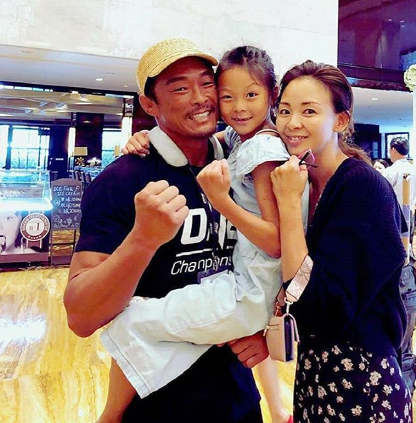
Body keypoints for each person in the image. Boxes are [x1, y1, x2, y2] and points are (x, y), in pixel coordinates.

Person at [95, 44, 304, 423]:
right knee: (161, 332)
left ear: (272, 95)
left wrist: (220, 201)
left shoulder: (263, 151)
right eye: (227, 96)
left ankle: (109, 417)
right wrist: (147, 137)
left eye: (251, 95)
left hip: (247, 293)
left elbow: (276, 242)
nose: (238, 107)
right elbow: (212, 141)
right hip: (240, 290)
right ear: (150, 103)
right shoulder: (238, 140)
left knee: (131, 321)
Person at [270, 61, 412, 422]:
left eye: (309, 111)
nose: (292, 122)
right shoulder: (306, 181)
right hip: (316, 370)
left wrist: (288, 206)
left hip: (360, 378)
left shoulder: (360, 187)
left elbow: (324, 307)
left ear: (340, 120)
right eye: (284, 111)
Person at [383, 136, 416, 241]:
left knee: (395, 245)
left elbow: (383, 193)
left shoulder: (391, 171)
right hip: (410, 213)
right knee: (408, 244)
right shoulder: (415, 171)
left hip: (394, 215)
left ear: (393, 150)